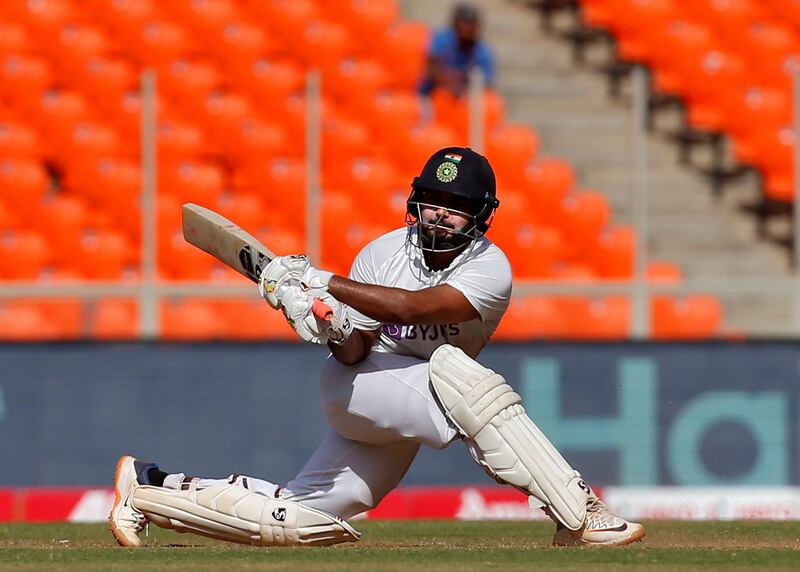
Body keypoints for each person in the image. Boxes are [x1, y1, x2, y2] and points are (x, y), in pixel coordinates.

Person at [109, 147, 645, 548]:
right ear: (415, 202)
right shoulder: (382, 253)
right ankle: (578, 513)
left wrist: (321, 282)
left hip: (415, 391)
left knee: (299, 518)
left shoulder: (490, 268)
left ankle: (150, 488)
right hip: (360, 385)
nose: (440, 214)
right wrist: (327, 324)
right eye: (432, 201)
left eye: (455, 206)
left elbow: (415, 309)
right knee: (461, 377)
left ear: (481, 215)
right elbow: (355, 350)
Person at [419, 3, 496, 98]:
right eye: (464, 22)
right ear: (454, 24)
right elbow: (432, 71)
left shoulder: (483, 51)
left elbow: (485, 82)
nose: (468, 27)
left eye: (472, 22)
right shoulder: (442, 38)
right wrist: (451, 84)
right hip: (432, 95)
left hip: (466, 99)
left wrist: (463, 86)